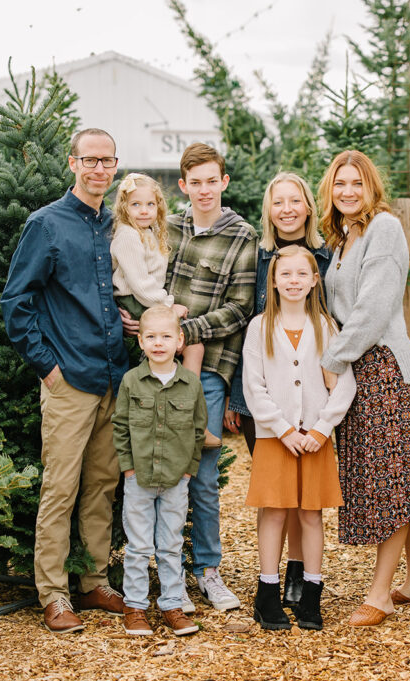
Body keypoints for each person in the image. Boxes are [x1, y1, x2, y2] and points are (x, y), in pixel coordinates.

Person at [1, 127, 128, 634]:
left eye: (107, 161)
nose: (99, 169)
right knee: (60, 489)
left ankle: (94, 581)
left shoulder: (116, 226)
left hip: (112, 378)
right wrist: (46, 367)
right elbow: (16, 301)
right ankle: (53, 594)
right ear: (72, 163)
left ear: (115, 166)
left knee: (102, 486)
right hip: (68, 380)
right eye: (90, 160)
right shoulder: (46, 225)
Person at [122, 142, 257, 612]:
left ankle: (208, 571)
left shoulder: (242, 235)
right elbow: (139, 276)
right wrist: (135, 318)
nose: (203, 190)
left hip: (209, 369)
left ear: (224, 182)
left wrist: (185, 330)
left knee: (199, 471)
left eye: (211, 181)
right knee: (150, 464)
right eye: (194, 182)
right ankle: (158, 569)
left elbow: (241, 308)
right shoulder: (166, 227)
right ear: (183, 186)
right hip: (153, 365)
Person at [317, 150, 410, 627]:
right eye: (339, 184)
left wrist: (331, 359)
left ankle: (380, 594)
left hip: (385, 369)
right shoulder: (343, 238)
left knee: (389, 483)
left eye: (356, 183)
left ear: (372, 188)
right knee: (404, 477)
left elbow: (373, 308)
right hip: (361, 368)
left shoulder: (384, 229)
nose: (348, 191)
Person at [224, 172, 332, 610]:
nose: (287, 209)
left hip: (318, 393)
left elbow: (333, 323)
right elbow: (246, 330)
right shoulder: (257, 257)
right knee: (279, 496)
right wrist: (237, 396)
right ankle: (271, 581)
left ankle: (298, 577)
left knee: (307, 502)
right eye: (277, 202)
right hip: (268, 400)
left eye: (295, 200)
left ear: (307, 205)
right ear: (268, 210)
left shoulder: (326, 257)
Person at [242, 245, 355, 631]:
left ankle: (311, 595)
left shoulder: (325, 327)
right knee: (273, 512)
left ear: (314, 280)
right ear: (273, 280)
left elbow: (344, 385)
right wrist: (283, 428)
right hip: (276, 437)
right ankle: (267, 594)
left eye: (301, 275)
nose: (293, 281)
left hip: (315, 439)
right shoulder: (259, 327)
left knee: (310, 514)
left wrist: (322, 428)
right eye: (285, 274)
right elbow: (253, 387)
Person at [112, 305, 206, 637]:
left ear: (179, 340)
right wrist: (127, 468)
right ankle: (135, 608)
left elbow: (198, 430)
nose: (158, 343)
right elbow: (120, 426)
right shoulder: (131, 381)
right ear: (140, 342)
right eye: (151, 336)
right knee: (138, 547)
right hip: (138, 479)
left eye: (166, 336)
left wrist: (188, 470)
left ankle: (171, 606)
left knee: (170, 545)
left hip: (175, 480)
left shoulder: (190, 385)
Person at [110, 173, 213, 445]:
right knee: (173, 352)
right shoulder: (128, 236)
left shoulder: (150, 233)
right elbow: (141, 285)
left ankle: (187, 418)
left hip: (148, 300)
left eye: (150, 205)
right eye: (135, 205)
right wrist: (170, 306)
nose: (144, 210)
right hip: (137, 302)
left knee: (191, 347)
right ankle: (180, 423)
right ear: (123, 207)